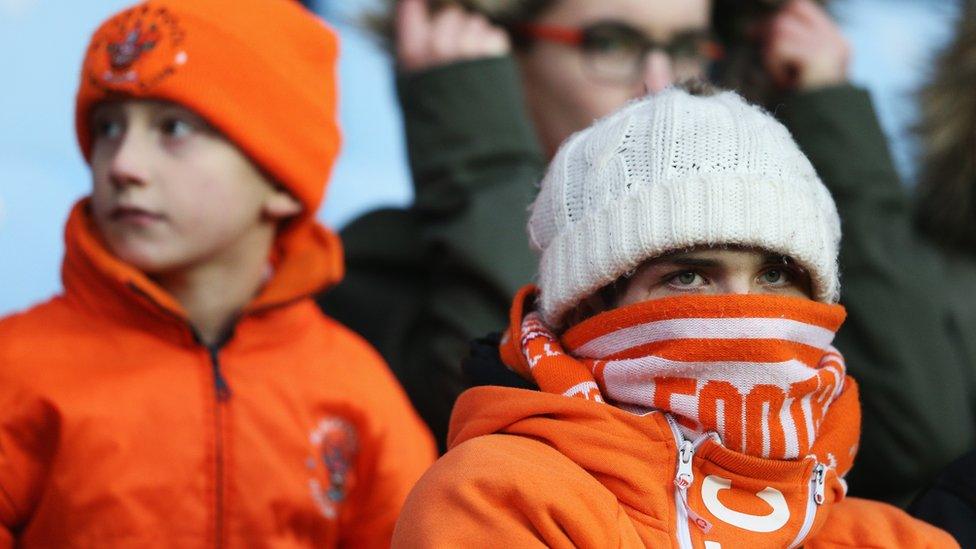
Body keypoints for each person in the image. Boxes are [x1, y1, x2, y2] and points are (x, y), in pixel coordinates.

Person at [391, 85, 956, 548]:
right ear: (587, 306)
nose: (745, 309)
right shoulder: (498, 498)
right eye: (687, 276)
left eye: (778, 274)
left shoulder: (895, 540)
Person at [319, 0, 871, 453]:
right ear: (502, 52)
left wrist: (830, 120)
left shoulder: (771, 257)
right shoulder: (371, 264)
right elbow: (474, 418)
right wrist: (477, 147)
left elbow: (920, 429)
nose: (662, 84)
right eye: (609, 44)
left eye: (686, 49)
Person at [0, 1, 436, 546]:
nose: (122, 165)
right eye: (107, 127)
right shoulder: (17, 370)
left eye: (173, 128)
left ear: (280, 181)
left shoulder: (355, 389)